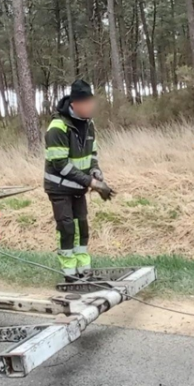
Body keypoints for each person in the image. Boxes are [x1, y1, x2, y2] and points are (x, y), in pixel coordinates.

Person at [44, 80, 115, 281]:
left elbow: (92, 152)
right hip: (59, 187)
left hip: (79, 186)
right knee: (66, 227)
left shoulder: (89, 123)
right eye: (87, 103)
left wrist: (96, 171)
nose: (91, 106)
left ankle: (84, 269)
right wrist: (91, 183)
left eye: (92, 102)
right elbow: (60, 165)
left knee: (82, 225)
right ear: (75, 104)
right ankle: (69, 273)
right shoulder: (58, 127)